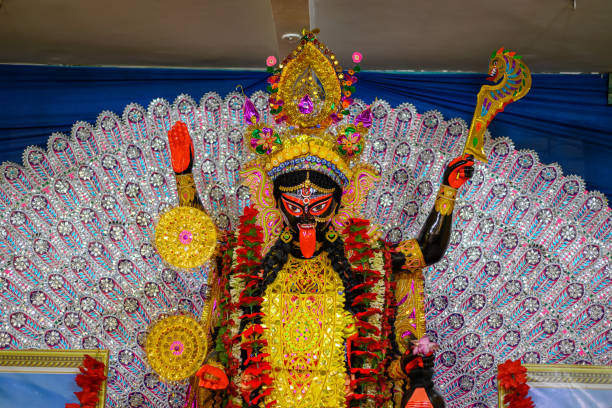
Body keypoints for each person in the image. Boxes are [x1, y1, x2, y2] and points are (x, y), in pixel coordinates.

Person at [167, 30, 474, 408]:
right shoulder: (246, 256)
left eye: (320, 204)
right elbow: (197, 239)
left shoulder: (369, 259)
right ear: (275, 201)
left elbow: (426, 251)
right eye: (296, 206)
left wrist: (448, 190)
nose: (308, 215)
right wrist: (185, 176)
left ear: (341, 202)